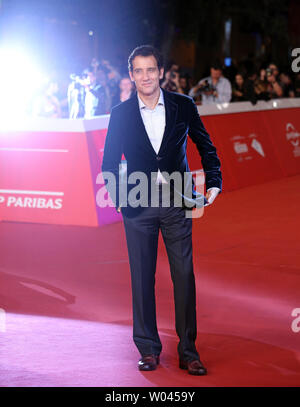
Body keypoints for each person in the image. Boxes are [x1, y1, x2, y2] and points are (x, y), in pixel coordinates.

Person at [101, 45, 222, 375]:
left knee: (183, 275)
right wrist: (123, 201)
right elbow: (109, 163)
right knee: (142, 277)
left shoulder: (183, 105)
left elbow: (205, 145)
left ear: (161, 72)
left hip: (178, 201)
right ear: (131, 75)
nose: (145, 77)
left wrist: (214, 180)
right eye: (138, 71)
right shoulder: (121, 113)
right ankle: (148, 348)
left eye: (150, 70)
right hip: (137, 205)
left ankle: (188, 350)